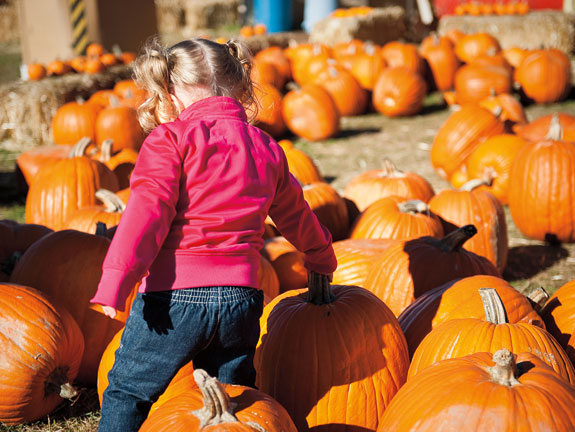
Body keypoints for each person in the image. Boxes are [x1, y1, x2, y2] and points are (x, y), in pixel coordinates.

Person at [90, 36, 337, 432]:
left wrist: (117, 277)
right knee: (232, 401)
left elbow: (146, 214)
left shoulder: (169, 140)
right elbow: (296, 213)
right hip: (241, 300)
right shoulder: (266, 146)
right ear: (240, 85)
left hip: (173, 300)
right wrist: (321, 255)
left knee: (127, 392)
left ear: (170, 91)